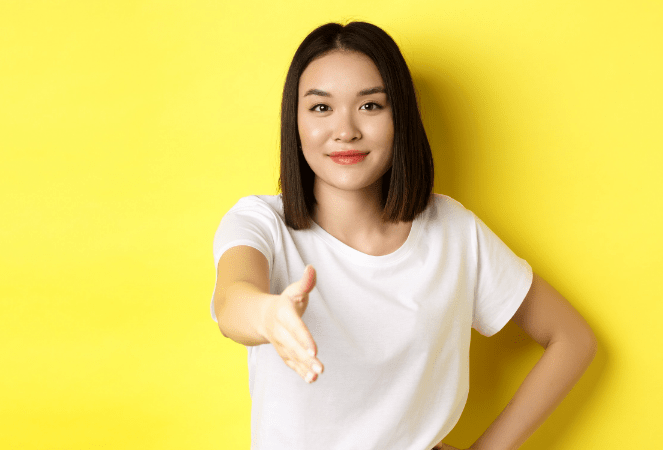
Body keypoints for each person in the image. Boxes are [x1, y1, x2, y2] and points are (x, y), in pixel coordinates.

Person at [210, 21, 597, 450]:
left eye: (371, 106)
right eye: (321, 108)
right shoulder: (261, 221)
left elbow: (572, 339)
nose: (346, 130)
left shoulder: (453, 231)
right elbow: (232, 300)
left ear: (401, 118)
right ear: (295, 121)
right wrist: (268, 316)